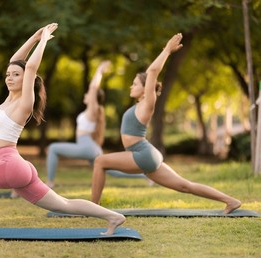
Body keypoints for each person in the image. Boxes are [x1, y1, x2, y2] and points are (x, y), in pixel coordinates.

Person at [0, 23, 125, 238]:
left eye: (15, 75)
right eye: (8, 75)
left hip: (10, 166)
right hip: (16, 166)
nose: (9, 77)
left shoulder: (24, 103)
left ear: (26, 79)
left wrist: (44, 40)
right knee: (63, 204)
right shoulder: (9, 99)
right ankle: (113, 216)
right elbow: (15, 60)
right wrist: (34, 37)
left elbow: (31, 68)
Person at [91, 33, 241, 214]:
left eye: (135, 84)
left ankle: (94, 208)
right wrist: (165, 50)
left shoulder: (147, 104)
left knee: (100, 161)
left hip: (142, 153)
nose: (131, 86)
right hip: (144, 154)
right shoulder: (139, 105)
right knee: (185, 186)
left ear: (146, 89)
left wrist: (167, 50)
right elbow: (150, 72)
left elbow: (153, 72)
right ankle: (230, 201)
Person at [45, 60, 152, 190]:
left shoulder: (92, 110)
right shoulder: (90, 112)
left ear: (93, 98)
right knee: (112, 172)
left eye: (89, 94)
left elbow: (93, 88)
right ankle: (145, 175)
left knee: (53, 148)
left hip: (87, 147)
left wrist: (99, 71)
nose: (86, 95)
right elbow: (92, 90)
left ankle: (50, 183)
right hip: (90, 147)